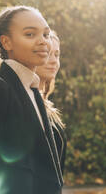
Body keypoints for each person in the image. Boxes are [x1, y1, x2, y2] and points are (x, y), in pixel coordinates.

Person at [0, 6, 63, 194]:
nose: (43, 41)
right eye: (30, 34)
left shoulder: (31, 87)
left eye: (45, 34)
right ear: (6, 42)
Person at [35, 31, 67, 174]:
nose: (54, 61)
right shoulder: (24, 99)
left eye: (57, 55)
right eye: (48, 54)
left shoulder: (46, 103)